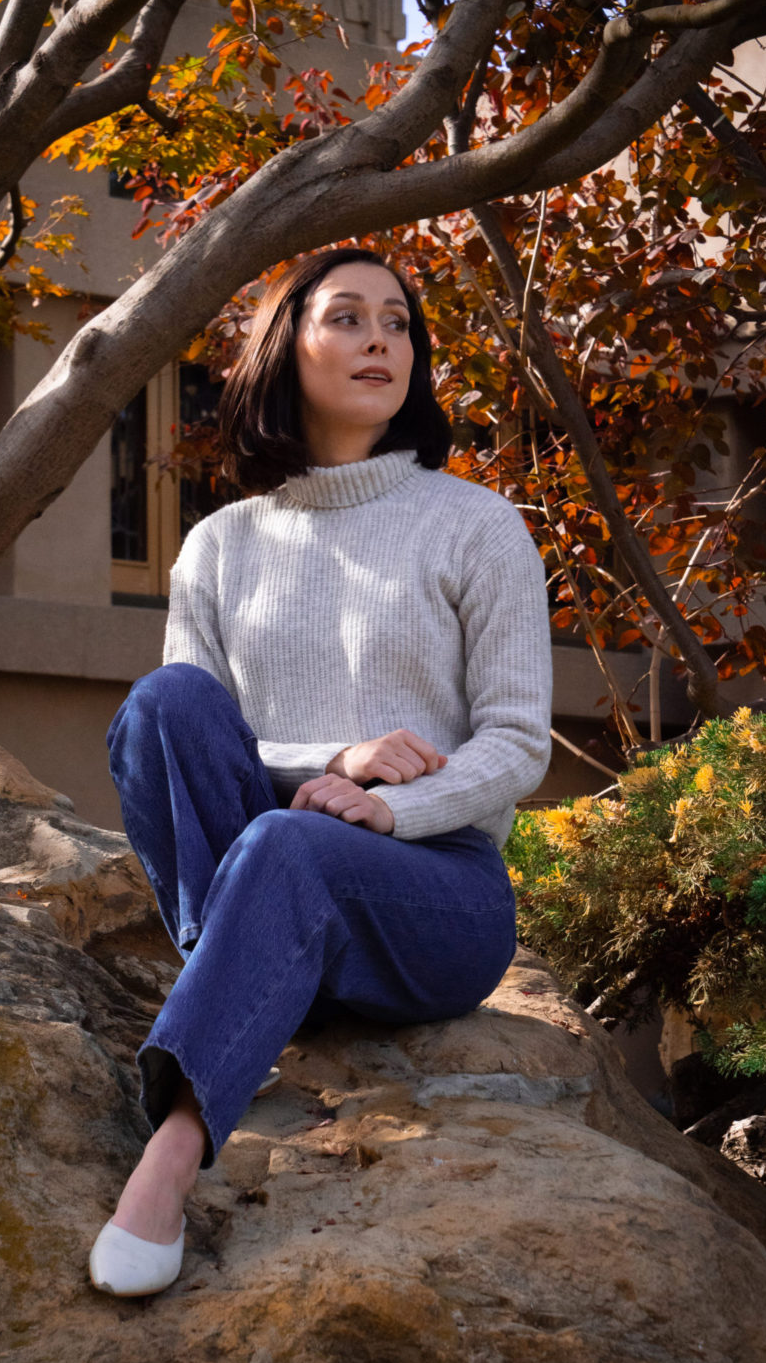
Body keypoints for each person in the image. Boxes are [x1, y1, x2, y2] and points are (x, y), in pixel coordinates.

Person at [88, 248, 553, 1296]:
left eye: (398, 323)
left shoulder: (476, 526)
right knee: (166, 704)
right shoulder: (216, 547)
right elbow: (190, 754)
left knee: (291, 842)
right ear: (284, 346)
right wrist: (331, 761)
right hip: (273, 856)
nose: (381, 340)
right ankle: (254, 985)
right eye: (348, 318)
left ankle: (171, 1147)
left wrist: (390, 812)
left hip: (433, 893)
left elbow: (519, 745)